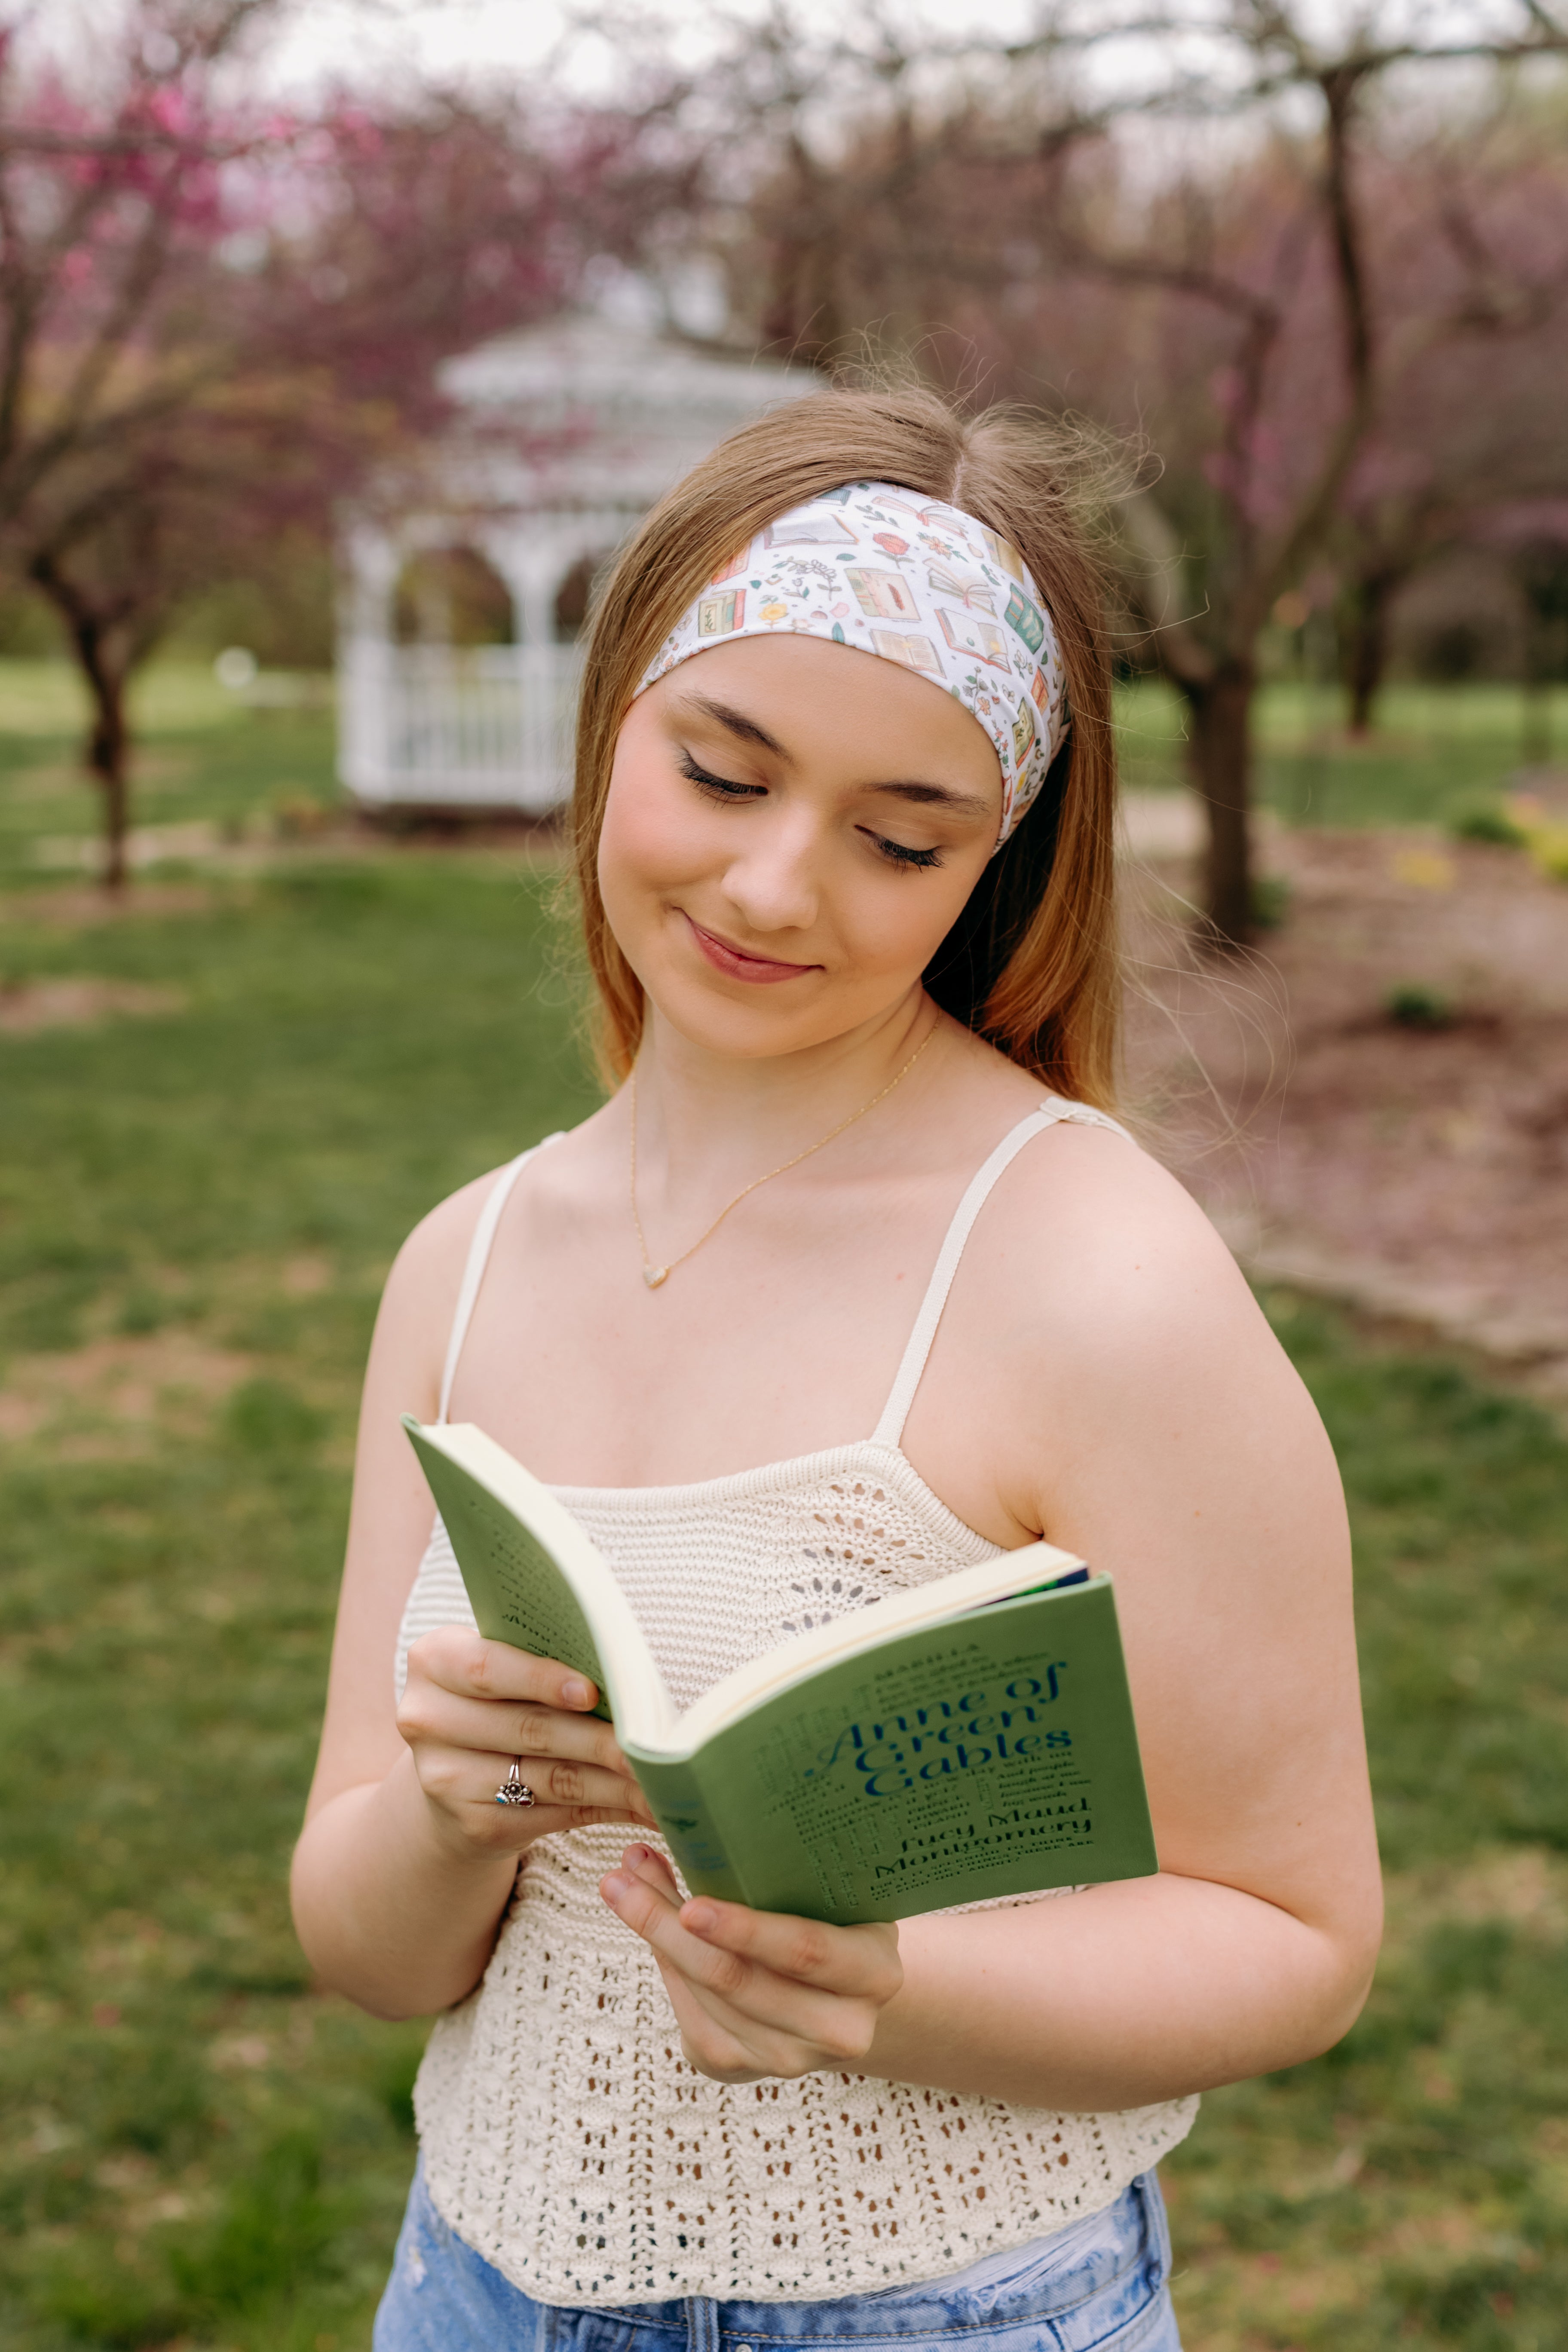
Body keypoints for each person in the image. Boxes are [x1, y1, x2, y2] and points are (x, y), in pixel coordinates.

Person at [292, 386, 1382, 2352]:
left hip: (947, 2316)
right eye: (724, 772)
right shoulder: (459, 1267)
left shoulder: (1098, 1277)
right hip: (466, 2290)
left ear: (995, 866)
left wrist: (888, 1988)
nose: (781, 889)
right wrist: (453, 1817)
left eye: (900, 837)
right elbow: (363, 1950)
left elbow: (1300, 1939)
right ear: (616, 709)